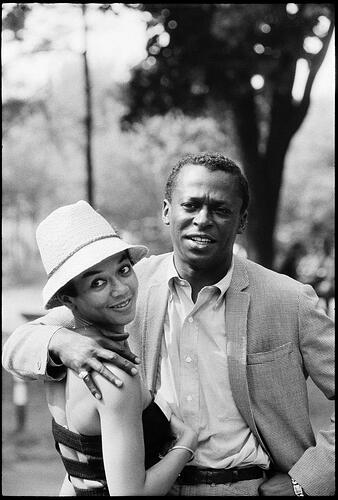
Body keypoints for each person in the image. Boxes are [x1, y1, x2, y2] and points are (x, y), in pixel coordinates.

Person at [3, 152, 334, 496]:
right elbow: (18, 345)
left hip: (246, 487)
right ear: (166, 211)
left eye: (220, 209)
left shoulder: (289, 300)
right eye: (190, 206)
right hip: (152, 483)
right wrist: (62, 343)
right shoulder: (126, 288)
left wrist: (306, 482)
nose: (202, 220)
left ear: (242, 219)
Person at [7, 200, 197, 496]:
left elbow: (79, 471)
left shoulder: (60, 362)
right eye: (98, 283)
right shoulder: (110, 373)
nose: (120, 289)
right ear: (69, 300)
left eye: (123, 270)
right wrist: (186, 444)